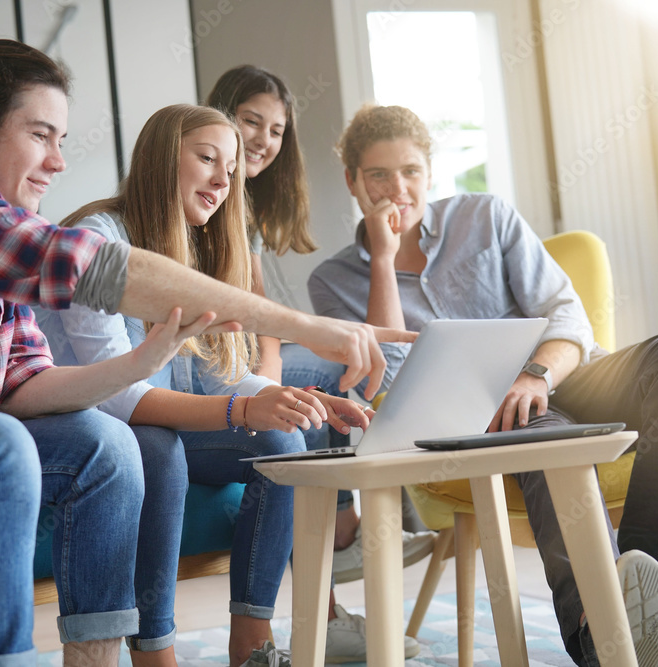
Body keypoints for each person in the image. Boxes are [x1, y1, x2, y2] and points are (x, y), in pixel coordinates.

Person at [0, 40, 414, 667]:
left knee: (103, 447)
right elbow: (91, 267)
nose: (57, 161)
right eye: (41, 135)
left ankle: (99, 660)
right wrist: (306, 326)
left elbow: (28, 386)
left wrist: (137, 365)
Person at [308, 104, 658, 667]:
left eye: (410, 171)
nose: (398, 189)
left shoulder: (486, 217)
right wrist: (383, 262)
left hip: (565, 376)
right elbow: (387, 374)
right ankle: (602, 632)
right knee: (538, 434)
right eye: (379, 176)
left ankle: (638, 577)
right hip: (484, 419)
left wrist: (535, 374)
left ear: (430, 171)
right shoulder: (332, 282)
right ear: (352, 182)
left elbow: (566, 316)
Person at [36, 103, 420, 666]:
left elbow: (207, 374)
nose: (223, 179)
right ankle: (154, 652)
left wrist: (284, 400)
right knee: (157, 448)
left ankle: (252, 645)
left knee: (284, 439)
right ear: (163, 159)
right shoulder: (97, 240)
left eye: (232, 168)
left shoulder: (200, 244)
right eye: (207, 158)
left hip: (154, 414)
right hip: (86, 419)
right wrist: (243, 409)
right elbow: (119, 397)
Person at [205, 65, 434, 595]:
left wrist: (271, 365)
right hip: (207, 366)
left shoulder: (248, 212)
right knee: (336, 369)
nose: (263, 139)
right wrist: (267, 371)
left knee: (335, 368)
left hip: (243, 360)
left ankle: (346, 539)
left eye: (277, 130)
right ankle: (345, 529)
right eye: (250, 121)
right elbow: (244, 315)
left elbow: (258, 307)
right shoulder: (210, 196)